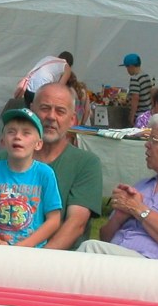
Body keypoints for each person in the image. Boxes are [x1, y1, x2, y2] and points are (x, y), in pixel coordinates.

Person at [78, 112, 158, 260]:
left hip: (150, 265)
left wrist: (138, 209)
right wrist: (119, 216)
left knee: (88, 249)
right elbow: (105, 237)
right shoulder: (143, 185)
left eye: (154, 140)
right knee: (88, 252)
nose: (147, 145)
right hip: (118, 260)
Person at [27, 83, 103, 250]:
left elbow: (76, 224)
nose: (51, 117)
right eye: (45, 108)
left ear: (72, 120)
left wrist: (37, 260)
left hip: (57, 260)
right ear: (31, 111)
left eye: (60, 111)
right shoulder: (4, 159)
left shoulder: (86, 164)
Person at [0, 107, 62, 246]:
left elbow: (54, 220)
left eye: (26, 133)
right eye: (11, 132)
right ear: (3, 141)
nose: (17, 137)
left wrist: (25, 245)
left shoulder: (45, 174)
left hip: (30, 252)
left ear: (38, 144)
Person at [121, 53, 152, 126]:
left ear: (131, 66)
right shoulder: (146, 76)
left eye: (127, 67)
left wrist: (132, 115)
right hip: (148, 113)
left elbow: (135, 98)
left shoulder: (135, 79)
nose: (127, 70)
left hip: (140, 114)